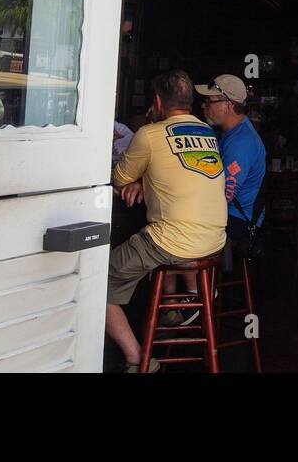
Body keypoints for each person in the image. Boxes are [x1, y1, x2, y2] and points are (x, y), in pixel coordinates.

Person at [105, 70, 227, 373]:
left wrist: (137, 179)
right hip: (214, 240)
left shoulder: (150, 133)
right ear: (189, 102)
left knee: (96, 280)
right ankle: (173, 312)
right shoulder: (207, 133)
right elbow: (182, 177)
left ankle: (137, 359)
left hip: (174, 242)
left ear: (157, 102)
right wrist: (145, 183)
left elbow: (118, 177)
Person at [197, 74, 266, 242]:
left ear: (227, 105)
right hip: (230, 216)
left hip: (238, 221)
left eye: (209, 101)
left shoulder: (241, 143)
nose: (202, 106)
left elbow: (223, 196)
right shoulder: (231, 132)